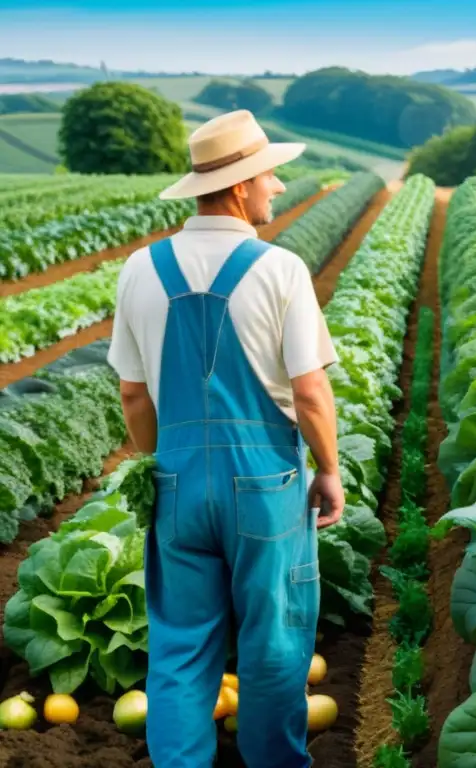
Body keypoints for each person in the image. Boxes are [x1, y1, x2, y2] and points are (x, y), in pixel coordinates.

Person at [107, 109, 345, 767]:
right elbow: (309, 392)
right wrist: (328, 468)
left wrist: (162, 466)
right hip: (265, 483)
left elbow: (133, 394)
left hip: (177, 482)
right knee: (272, 644)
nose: (276, 186)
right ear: (240, 186)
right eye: (270, 174)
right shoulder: (280, 269)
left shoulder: (139, 270)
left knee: (181, 646)